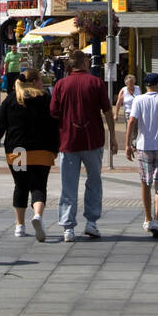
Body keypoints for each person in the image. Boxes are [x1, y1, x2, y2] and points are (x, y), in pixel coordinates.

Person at [0, 67, 61, 240]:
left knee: (21, 186)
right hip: (42, 150)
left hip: (17, 150)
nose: (42, 83)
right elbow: (55, 125)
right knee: (39, 186)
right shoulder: (46, 98)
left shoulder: (11, 100)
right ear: (33, 82)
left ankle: (19, 226)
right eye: (40, 80)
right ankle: (38, 215)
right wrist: (56, 148)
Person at [49, 49, 116, 242]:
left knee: (68, 186)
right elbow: (107, 111)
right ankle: (91, 222)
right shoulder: (96, 82)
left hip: (68, 141)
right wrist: (112, 137)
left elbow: (53, 113)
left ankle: (67, 227)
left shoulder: (61, 85)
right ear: (85, 63)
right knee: (94, 182)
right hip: (92, 140)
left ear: (70, 65)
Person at [125, 73, 158, 238]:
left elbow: (131, 121)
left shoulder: (138, 100)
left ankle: (148, 218)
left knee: (145, 182)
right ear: (156, 85)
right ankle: (157, 220)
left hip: (144, 147)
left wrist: (127, 144)